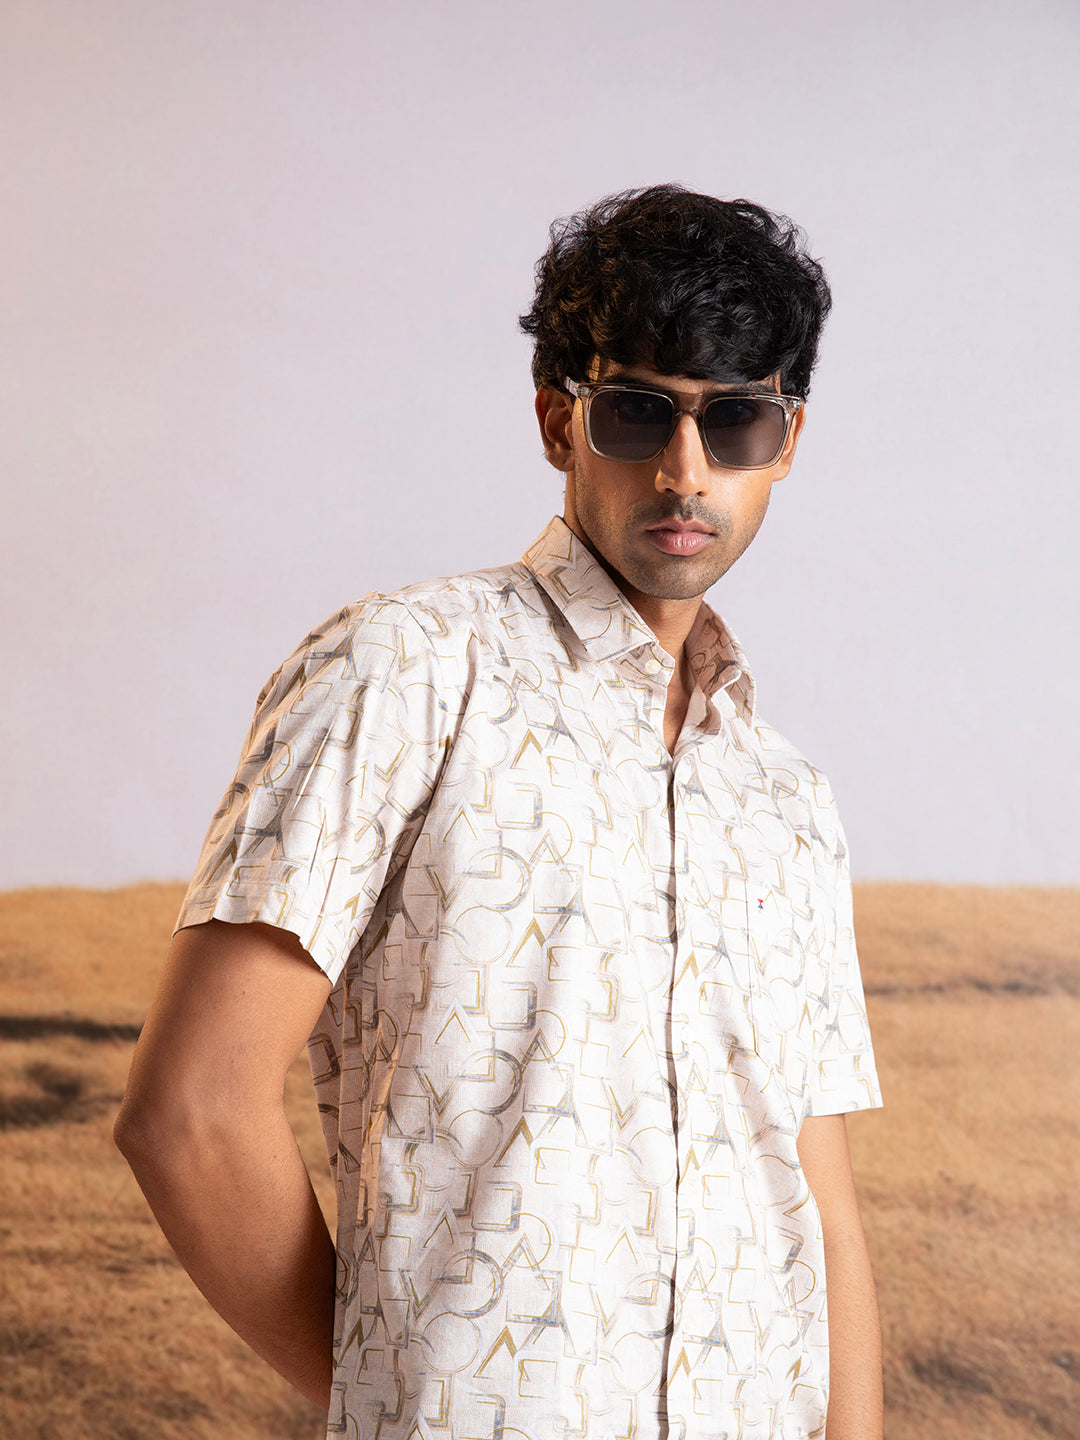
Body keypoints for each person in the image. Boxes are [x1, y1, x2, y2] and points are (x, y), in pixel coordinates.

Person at [115, 184, 883, 1440]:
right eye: (640, 412)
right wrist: (403, 1402)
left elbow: (822, 1207)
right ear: (557, 418)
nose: (685, 472)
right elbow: (189, 1114)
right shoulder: (403, 672)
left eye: (735, 420)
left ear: (786, 440)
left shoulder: (784, 795)